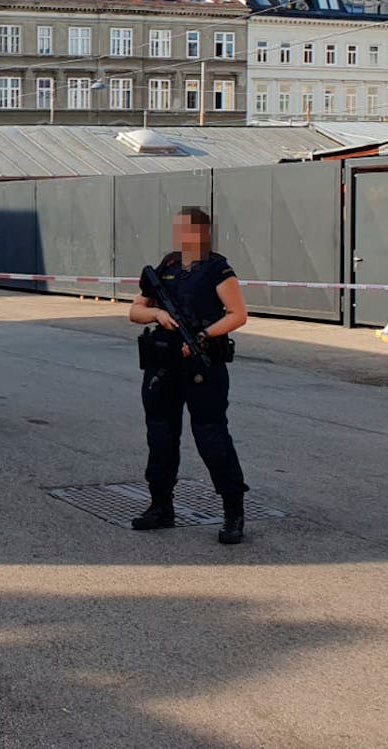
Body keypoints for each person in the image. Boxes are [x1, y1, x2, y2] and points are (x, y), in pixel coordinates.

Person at [127, 207, 249, 543]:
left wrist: (203, 336)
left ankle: (233, 512)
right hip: (163, 366)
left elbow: (238, 315)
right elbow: (134, 311)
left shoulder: (217, 268)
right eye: (180, 229)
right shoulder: (166, 265)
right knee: (161, 436)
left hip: (201, 366)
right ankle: (161, 507)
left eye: (191, 230)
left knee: (212, 438)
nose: (184, 236)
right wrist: (157, 314)